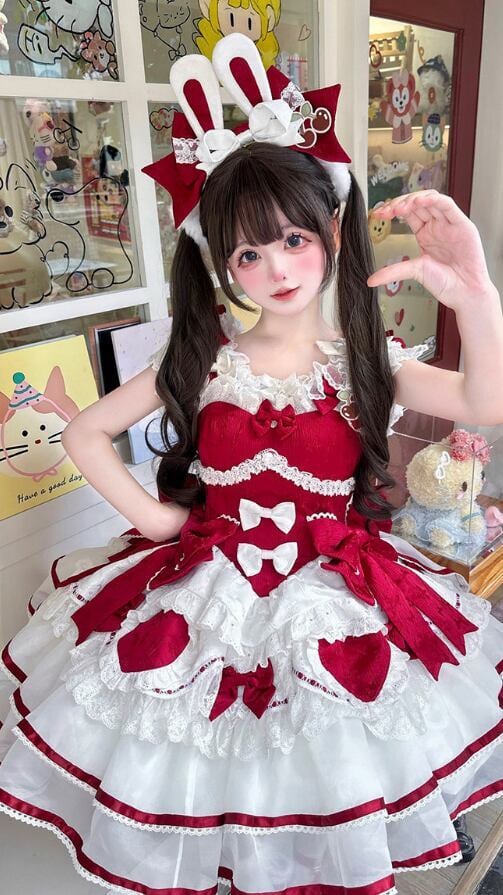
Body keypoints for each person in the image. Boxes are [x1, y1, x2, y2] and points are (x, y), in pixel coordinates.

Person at [1, 32, 502, 895]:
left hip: (333, 597)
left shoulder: (365, 361)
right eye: (246, 252)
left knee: (319, 767)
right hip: (204, 589)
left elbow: (483, 402)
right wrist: (157, 520)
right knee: (198, 765)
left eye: (292, 239)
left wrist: (477, 296)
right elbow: (84, 433)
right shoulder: (204, 359)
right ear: (221, 264)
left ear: (331, 230)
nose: (274, 267)